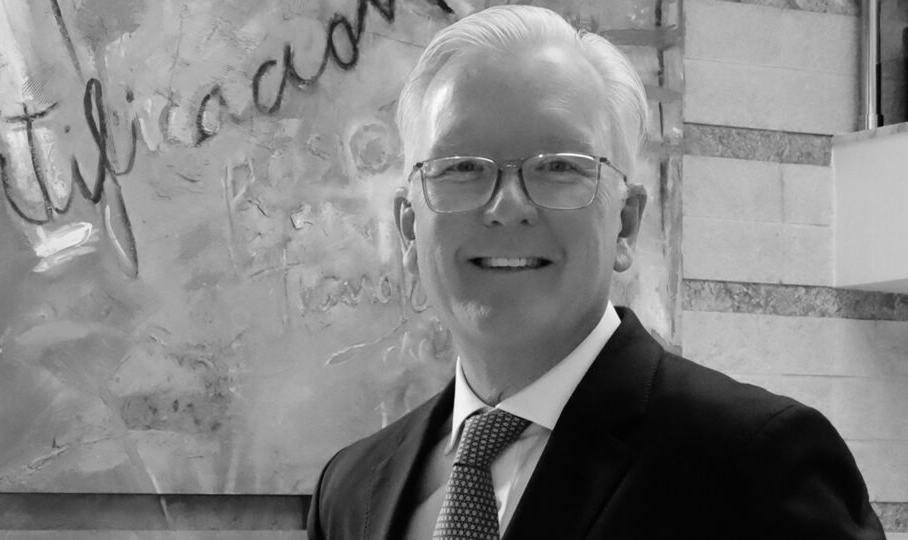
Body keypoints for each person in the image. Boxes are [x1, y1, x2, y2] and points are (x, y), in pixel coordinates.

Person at [307, 5, 885, 539]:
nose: (507, 206)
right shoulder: (351, 491)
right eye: (461, 167)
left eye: (559, 167)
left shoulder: (757, 466)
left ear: (626, 223)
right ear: (410, 228)